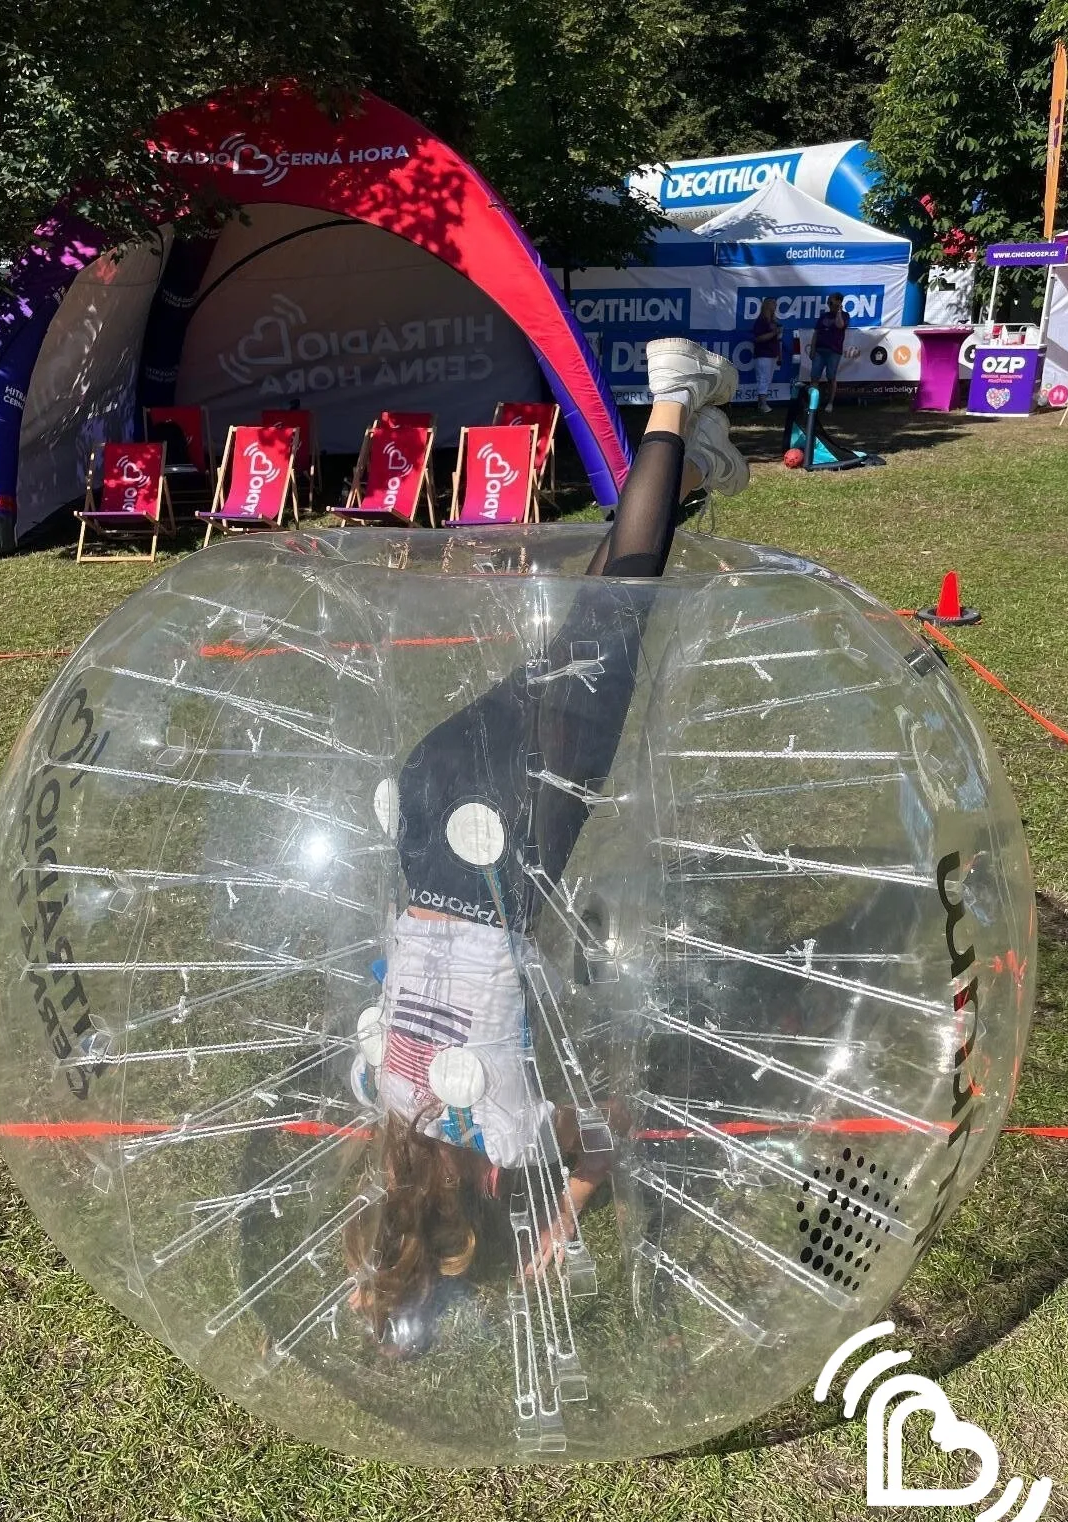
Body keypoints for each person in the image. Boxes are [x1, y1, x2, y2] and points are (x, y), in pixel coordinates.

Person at [342, 339, 751, 1355]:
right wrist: (385, 1276)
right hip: (435, 805)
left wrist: (561, 1219)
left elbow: (605, 1128)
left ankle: (670, 400)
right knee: (588, 629)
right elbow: (400, 1221)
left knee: (620, 615)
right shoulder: (392, 1107)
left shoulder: (510, 1135)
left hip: (503, 838)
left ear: (476, 1204)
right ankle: (692, 467)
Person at [809, 292, 850, 413]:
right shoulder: (823, 316)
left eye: (831, 302)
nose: (829, 304)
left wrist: (838, 311)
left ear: (839, 302)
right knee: (814, 377)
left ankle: (830, 403)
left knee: (831, 377)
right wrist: (812, 349)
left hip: (834, 352)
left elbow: (840, 325)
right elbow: (816, 333)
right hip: (819, 350)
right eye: (829, 302)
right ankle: (813, 404)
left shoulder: (845, 315)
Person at [751, 296, 782, 414]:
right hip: (763, 354)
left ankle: (761, 404)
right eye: (774, 304)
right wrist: (774, 332)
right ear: (767, 305)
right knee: (763, 379)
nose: (776, 306)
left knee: (767, 379)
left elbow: (778, 340)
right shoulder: (761, 321)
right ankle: (763, 405)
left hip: (772, 354)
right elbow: (758, 338)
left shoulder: (774, 321)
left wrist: (779, 355)